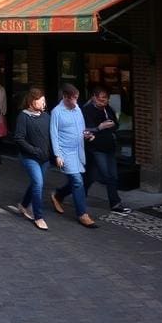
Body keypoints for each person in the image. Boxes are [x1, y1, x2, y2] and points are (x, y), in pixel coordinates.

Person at [50, 83, 98, 228]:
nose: (76, 102)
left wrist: (87, 135)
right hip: (66, 152)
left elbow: (81, 129)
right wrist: (57, 155)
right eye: (73, 98)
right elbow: (54, 134)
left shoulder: (77, 109)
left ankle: (58, 195)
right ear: (65, 97)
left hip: (79, 151)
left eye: (77, 98)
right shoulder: (56, 112)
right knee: (77, 181)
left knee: (79, 181)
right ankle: (82, 214)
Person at [82, 85, 131, 214]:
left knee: (102, 176)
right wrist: (100, 127)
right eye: (102, 99)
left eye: (107, 99)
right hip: (96, 148)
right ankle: (115, 204)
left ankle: (114, 204)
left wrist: (114, 125)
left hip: (109, 147)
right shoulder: (87, 111)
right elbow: (85, 130)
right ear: (94, 98)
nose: (105, 101)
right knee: (106, 175)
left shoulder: (107, 109)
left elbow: (116, 123)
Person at [13, 87, 52, 231]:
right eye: (40, 100)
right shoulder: (23, 117)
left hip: (45, 158)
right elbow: (19, 138)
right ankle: (39, 217)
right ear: (31, 102)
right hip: (29, 157)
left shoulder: (46, 116)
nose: (43, 103)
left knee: (36, 183)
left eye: (44, 100)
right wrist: (35, 151)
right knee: (38, 182)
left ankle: (23, 205)